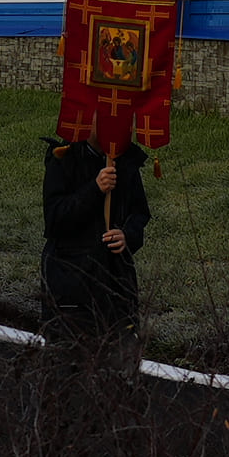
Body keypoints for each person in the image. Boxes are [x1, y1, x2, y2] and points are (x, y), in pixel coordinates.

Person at [40, 136, 148, 354]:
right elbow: (55, 219)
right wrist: (95, 189)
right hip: (72, 278)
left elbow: (139, 212)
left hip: (116, 279)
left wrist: (127, 235)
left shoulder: (126, 158)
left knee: (119, 355)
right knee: (71, 356)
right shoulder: (63, 156)